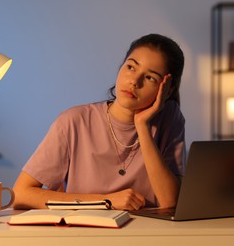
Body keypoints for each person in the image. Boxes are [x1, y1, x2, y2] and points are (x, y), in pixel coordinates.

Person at [13, 33, 186, 210]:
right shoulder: (74, 122)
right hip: (86, 234)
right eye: (131, 67)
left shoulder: (170, 120)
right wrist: (105, 201)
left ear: (168, 89)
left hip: (145, 235)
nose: (134, 81)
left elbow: (170, 202)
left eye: (150, 77)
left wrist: (142, 126)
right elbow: (20, 194)